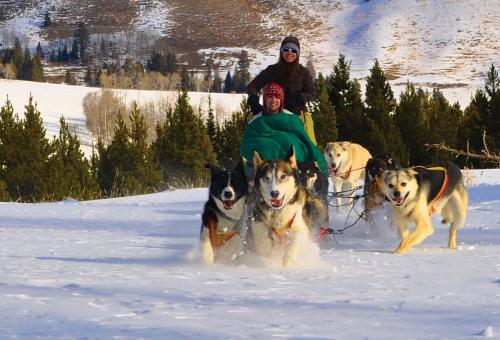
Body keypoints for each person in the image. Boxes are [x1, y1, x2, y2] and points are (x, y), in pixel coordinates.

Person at [240, 82, 327, 176]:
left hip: (294, 168)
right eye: (270, 97)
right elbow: (248, 145)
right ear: (265, 100)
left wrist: (322, 167)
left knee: (292, 143)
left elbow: (306, 141)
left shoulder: (291, 118)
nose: (273, 100)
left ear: (281, 100)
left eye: (277, 97)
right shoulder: (255, 121)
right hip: (266, 173)